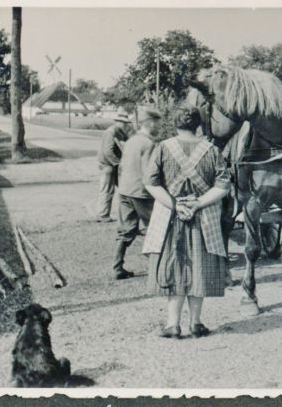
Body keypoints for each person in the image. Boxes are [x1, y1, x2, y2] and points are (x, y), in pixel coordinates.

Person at [142, 104, 230, 339]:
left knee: (174, 268)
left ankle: (172, 324)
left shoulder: (162, 148)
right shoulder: (212, 150)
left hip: (171, 218)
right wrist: (198, 203)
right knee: (199, 268)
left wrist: (175, 205)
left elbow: (151, 183)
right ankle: (196, 323)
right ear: (199, 125)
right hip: (203, 218)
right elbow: (224, 186)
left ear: (175, 124)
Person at [111, 107, 161, 280]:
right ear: (150, 123)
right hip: (141, 193)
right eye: (157, 123)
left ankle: (117, 267)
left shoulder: (132, 140)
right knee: (155, 228)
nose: (159, 127)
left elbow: (122, 166)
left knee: (125, 230)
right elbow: (150, 173)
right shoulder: (149, 144)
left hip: (125, 190)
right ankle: (156, 268)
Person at [94, 113, 131, 222]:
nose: (126, 125)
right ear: (118, 122)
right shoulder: (111, 132)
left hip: (114, 165)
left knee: (125, 189)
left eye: (126, 123)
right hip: (108, 165)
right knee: (107, 190)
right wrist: (118, 164)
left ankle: (123, 215)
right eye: (124, 123)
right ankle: (102, 215)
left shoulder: (120, 133)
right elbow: (108, 152)